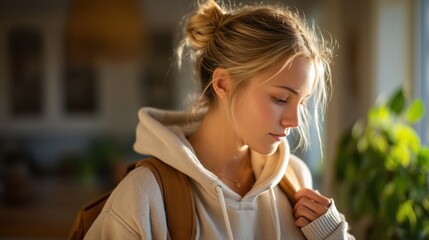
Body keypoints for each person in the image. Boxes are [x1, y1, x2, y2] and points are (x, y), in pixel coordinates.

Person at [85, 0, 355, 239]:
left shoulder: (295, 179)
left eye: (302, 102)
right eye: (281, 99)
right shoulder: (143, 195)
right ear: (223, 84)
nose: (294, 120)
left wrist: (332, 235)